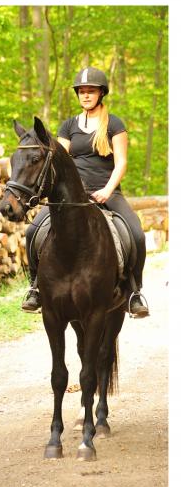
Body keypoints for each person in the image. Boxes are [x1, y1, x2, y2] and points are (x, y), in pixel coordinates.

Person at [22, 66, 149, 318]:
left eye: (91, 91)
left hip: (107, 192)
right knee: (33, 230)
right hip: (73, 195)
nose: (85, 95)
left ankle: (134, 292)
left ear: (101, 93)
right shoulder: (69, 125)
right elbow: (61, 159)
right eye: (81, 91)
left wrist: (107, 190)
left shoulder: (114, 124)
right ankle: (35, 287)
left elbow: (121, 162)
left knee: (136, 234)